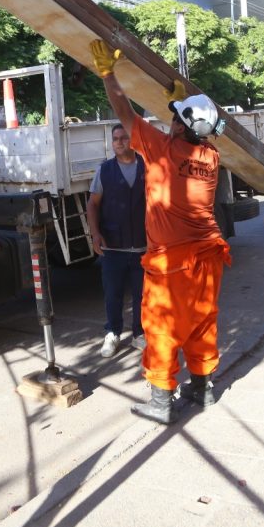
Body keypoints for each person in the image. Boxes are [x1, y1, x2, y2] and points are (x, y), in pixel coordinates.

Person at [90, 39, 232, 425]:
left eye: (174, 116)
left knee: (162, 327)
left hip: (173, 263)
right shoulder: (210, 156)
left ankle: (161, 401)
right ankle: (202, 391)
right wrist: (184, 99)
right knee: (203, 322)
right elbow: (189, 125)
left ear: (180, 126)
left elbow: (124, 111)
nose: (168, 120)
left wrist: (108, 74)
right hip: (210, 256)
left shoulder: (162, 150)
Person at [87, 124, 147, 358]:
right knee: (113, 293)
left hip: (143, 245)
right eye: (115, 138)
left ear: (132, 141)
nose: (119, 142)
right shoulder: (105, 170)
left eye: (124, 138)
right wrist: (95, 233)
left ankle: (139, 333)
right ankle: (112, 332)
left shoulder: (147, 166)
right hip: (113, 245)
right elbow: (93, 204)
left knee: (142, 294)